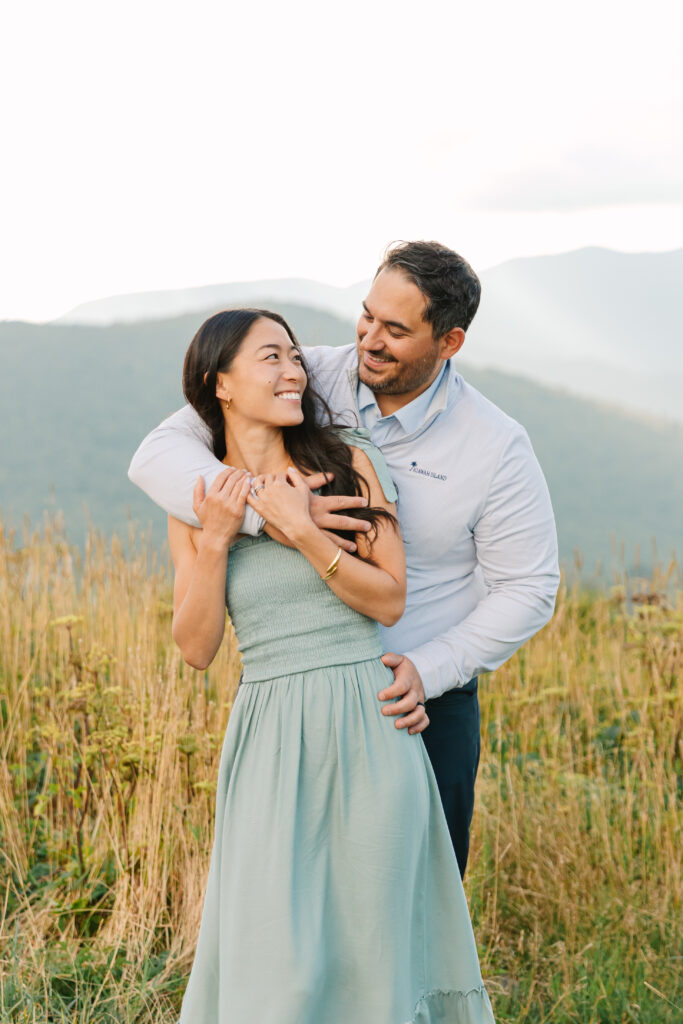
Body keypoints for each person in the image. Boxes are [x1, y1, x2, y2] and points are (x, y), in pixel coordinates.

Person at [129, 240, 560, 878]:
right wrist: (262, 516)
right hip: (298, 698)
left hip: (418, 703)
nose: (370, 340)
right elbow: (160, 455)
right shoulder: (307, 378)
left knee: (415, 904)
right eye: (367, 316)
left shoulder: (494, 446)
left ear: (449, 342)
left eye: (396, 330)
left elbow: (529, 587)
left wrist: (428, 669)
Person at [165, 307, 495, 1023]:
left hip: (369, 726)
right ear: (219, 383)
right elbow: (195, 648)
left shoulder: (344, 459)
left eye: (293, 356)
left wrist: (303, 533)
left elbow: (387, 599)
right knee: (276, 960)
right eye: (269, 358)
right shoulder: (196, 497)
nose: (292, 371)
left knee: (373, 957)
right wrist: (219, 539)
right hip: (270, 736)